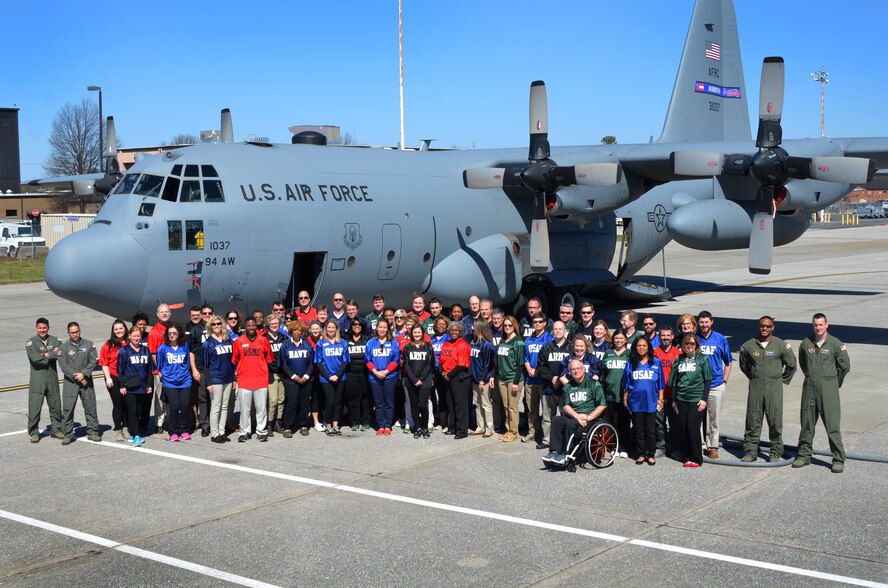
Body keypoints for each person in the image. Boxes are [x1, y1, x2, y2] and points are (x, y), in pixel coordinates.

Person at [793, 313, 850, 473]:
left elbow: (844, 366)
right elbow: (803, 364)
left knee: (832, 425)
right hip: (810, 388)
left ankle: (838, 459)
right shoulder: (806, 344)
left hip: (828, 389)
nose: (818, 328)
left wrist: (833, 382)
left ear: (826, 325)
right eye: (815, 325)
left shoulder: (835, 344)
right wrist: (813, 377)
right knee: (807, 423)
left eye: (820, 325)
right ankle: (804, 455)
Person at [738, 316, 797, 462]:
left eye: (768, 326)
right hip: (756, 387)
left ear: (773, 328)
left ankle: (775, 451)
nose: (765, 329)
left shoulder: (780, 345)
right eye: (762, 326)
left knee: (775, 420)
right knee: (752, 420)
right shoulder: (749, 346)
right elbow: (744, 365)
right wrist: (754, 377)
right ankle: (751, 452)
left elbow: (791, 364)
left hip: (774, 388)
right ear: (759, 327)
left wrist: (781, 380)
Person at [543, 359, 607, 467]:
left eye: (578, 368)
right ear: (569, 372)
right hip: (575, 416)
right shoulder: (568, 386)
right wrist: (577, 416)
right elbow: (566, 406)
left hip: (590, 419)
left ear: (583, 369)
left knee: (570, 424)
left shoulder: (594, 384)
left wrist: (589, 417)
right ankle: (554, 451)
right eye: (573, 369)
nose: (576, 371)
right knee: (556, 420)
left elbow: (602, 405)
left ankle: (567, 453)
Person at [669, 333, 713, 468]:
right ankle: (686, 456)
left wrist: (704, 399)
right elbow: (674, 381)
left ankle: (697, 457)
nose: (689, 346)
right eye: (686, 344)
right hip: (682, 399)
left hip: (696, 399)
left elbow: (707, 380)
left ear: (697, 345)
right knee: (683, 427)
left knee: (692, 427)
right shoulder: (679, 359)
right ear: (683, 345)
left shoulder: (702, 360)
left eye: (692, 344)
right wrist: (674, 400)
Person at [622, 337, 664, 465]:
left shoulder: (655, 362)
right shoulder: (631, 362)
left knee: (651, 430)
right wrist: (625, 398)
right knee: (639, 429)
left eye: (644, 345)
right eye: (639, 345)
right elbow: (626, 383)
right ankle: (641, 453)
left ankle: (650, 454)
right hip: (635, 401)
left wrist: (660, 399)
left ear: (648, 347)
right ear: (635, 347)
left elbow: (661, 383)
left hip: (651, 401)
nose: (641, 348)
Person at [231, 318, 274, 442]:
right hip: (244, 380)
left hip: (261, 380)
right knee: (245, 410)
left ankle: (261, 431)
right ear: (246, 326)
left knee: (261, 409)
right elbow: (235, 359)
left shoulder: (264, 340)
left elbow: (269, 358)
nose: (251, 327)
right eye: (248, 325)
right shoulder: (239, 341)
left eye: (253, 325)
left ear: (256, 326)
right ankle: (245, 432)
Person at [697, 311, 732, 459]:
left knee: (714, 418)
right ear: (697, 323)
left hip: (715, 384)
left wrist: (724, 380)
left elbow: (728, 362)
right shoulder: (694, 338)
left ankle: (712, 446)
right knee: (697, 418)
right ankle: (699, 445)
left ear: (712, 322)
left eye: (706, 322)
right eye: (701, 322)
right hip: (697, 385)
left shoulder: (720, 339)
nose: (704, 325)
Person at [57, 321, 100, 444]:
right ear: (68, 333)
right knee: (68, 408)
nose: (75, 334)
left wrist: (84, 374)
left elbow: (93, 361)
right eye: (72, 332)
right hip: (71, 382)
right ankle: (68, 433)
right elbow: (63, 366)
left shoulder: (88, 344)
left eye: (77, 331)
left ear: (80, 330)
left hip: (87, 382)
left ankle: (93, 431)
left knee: (90, 406)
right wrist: (78, 376)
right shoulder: (63, 348)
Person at [156, 323, 196, 442]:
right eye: (170, 333)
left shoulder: (184, 346)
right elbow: (159, 364)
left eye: (174, 333)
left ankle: (184, 430)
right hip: (170, 382)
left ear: (179, 334)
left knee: (184, 406)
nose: (172, 335)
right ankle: (173, 431)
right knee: (174, 406)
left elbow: (187, 362)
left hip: (185, 380)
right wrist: (163, 373)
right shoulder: (163, 348)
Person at [26, 318, 63, 442]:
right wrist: (51, 354)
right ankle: (34, 432)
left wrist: (47, 355)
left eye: (44, 328)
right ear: (36, 328)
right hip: (38, 378)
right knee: (35, 406)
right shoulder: (31, 342)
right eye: (40, 328)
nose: (42, 330)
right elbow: (35, 359)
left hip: (52, 377)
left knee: (55, 404)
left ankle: (56, 429)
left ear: (48, 327)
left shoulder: (55, 340)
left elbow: (60, 353)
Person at [537, 321, 572, 449]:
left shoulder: (571, 347)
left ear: (565, 331)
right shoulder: (546, 347)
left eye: (560, 329)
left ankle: (564, 439)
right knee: (547, 417)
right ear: (552, 331)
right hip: (549, 388)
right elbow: (541, 366)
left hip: (565, 389)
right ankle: (546, 440)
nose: (557, 331)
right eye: (555, 329)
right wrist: (552, 378)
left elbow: (575, 367)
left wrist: (563, 379)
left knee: (565, 416)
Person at [117, 326, 154, 447]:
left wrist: (149, 384)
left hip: (143, 386)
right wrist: (122, 386)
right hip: (130, 386)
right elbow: (120, 370)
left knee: (139, 410)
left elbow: (149, 370)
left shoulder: (145, 350)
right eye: (134, 336)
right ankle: (137, 435)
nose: (136, 338)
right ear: (129, 336)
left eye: (138, 336)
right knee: (132, 411)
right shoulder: (124, 351)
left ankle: (133, 432)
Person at [279, 320, 315, 437]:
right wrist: (294, 376)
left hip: (307, 379)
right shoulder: (285, 345)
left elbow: (312, 363)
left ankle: (303, 424)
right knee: (292, 403)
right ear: (291, 331)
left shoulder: (308, 345)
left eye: (299, 330)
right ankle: (288, 426)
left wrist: (306, 376)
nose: (297, 332)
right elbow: (283, 364)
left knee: (304, 403)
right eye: (295, 330)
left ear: (303, 332)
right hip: (291, 379)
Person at [365, 318, 400, 435]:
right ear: (377, 328)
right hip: (374, 377)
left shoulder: (393, 343)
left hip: (389, 377)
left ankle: (388, 425)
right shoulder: (371, 342)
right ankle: (381, 425)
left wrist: (385, 372)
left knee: (389, 402)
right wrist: (375, 372)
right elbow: (368, 360)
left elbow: (396, 360)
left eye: (384, 327)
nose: (382, 329)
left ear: (388, 329)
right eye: (380, 327)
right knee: (378, 403)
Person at [523, 312, 554, 445]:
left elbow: (549, 360)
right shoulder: (528, 339)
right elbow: (526, 358)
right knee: (531, 409)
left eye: (540, 321)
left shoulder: (549, 339)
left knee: (546, 410)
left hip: (543, 380)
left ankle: (547, 435)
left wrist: (538, 370)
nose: (537, 324)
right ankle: (532, 432)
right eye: (534, 322)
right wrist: (529, 368)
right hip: (530, 379)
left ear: (545, 323)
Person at [315, 320, 350, 435]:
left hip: (340, 377)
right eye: (328, 327)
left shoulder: (342, 342)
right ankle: (328, 425)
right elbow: (318, 362)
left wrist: (337, 375)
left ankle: (336, 425)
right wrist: (329, 376)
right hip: (326, 378)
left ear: (336, 329)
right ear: (326, 329)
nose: (330, 330)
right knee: (329, 401)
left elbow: (345, 361)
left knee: (338, 401)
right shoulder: (321, 343)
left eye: (333, 328)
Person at [203, 315, 235, 443]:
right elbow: (205, 365)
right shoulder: (208, 343)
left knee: (225, 406)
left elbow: (232, 361)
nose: (216, 326)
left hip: (228, 377)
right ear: (210, 326)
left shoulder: (228, 340)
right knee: (216, 406)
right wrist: (209, 383)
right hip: (215, 377)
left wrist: (234, 378)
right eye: (213, 324)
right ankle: (214, 433)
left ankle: (222, 432)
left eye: (218, 323)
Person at [439, 321, 472, 439]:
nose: (454, 332)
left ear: (460, 332)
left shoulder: (463, 344)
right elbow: (441, 360)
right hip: (447, 376)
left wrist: (449, 375)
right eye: (452, 330)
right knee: (450, 403)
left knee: (460, 405)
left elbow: (462, 365)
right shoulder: (446, 343)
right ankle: (452, 427)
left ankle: (462, 431)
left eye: (456, 330)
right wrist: (442, 372)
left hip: (459, 377)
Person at [653, 325, 681, 457]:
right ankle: (662, 446)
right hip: (659, 395)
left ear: (672, 336)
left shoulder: (679, 354)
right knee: (659, 423)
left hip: (673, 395)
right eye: (663, 335)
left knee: (675, 424)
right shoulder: (654, 353)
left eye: (668, 335)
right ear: (659, 337)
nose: (665, 338)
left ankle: (675, 448)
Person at [601, 331, 630, 457]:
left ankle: (623, 447)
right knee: (612, 421)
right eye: (616, 338)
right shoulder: (608, 353)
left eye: (621, 338)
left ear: (625, 340)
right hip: (609, 394)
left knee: (624, 421)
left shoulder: (629, 354)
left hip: (623, 394)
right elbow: (603, 374)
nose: (618, 340)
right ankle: (613, 445)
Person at [403, 324, 435, 439]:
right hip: (411, 381)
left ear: (422, 333)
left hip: (425, 381)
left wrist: (420, 379)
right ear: (412, 334)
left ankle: (425, 427)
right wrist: (414, 379)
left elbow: (430, 365)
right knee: (413, 405)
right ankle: (417, 428)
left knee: (423, 405)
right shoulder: (407, 347)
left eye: (419, 333)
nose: (417, 335)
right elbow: (406, 365)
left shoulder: (428, 347)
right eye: (415, 333)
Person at [496, 316, 525, 442]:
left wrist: (516, 382)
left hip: (513, 378)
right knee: (506, 406)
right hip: (502, 378)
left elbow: (520, 364)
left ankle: (514, 432)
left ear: (514, 326)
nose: (507, 327)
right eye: (505, 325)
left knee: (513, 407)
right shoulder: (502, 341)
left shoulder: (518, 342)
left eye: (510, 325)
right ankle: (508, 429)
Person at [99, 319, 129, 441]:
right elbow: (104, 363)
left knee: (127, 403)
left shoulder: (129, 342)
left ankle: (126, 427)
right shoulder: (108, 344)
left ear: (125, 329)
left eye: (121, 328)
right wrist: (108, 378)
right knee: (118, 404)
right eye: (116, 329)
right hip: (113, 377)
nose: (119, 331)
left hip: (127, 377)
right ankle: (118, 428)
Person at [147, 303, 171, 434]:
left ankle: (169, 419)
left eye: (167, 311)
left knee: (170, 397)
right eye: (162, 312)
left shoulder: (172, 328)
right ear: (157, 314)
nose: (165, 314)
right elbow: (153, 353)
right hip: (160, 372)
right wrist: (160, 369)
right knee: (160, 397)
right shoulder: (154, 332)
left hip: (172, 370)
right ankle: (159, 422)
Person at [469, 319, 496, 437]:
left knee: (486, 404)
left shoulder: (487, 344)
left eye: (474, 327)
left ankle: (489, 428)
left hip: (482, 379)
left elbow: (487, 364)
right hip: (474, 378)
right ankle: (480, 426)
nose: (472, 328)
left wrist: (482, 379)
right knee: (477, 404)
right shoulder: (473, 342)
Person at [188, 305, 212, 437]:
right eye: (205, 313)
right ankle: (205, 424)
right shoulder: (196, 331)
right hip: (201, 369)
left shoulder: (218, 328)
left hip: (215, 370)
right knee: (203, 398)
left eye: (210, 313)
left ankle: (216, 423)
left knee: (215, 398)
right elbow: (191, 352)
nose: (207, 315)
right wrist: (194, 370)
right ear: (201, 315)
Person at [344, 319, 372, 431]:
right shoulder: (346, 340)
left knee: (366, 398)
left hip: (365, 372)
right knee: (352, 398)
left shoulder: (368, 339)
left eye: (359, 324)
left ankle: (366, 421)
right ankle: (354, 421)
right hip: (351, 373)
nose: (357, 326)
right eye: (354, 324)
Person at [264, 314, 288, 436]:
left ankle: (278, 422)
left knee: (281, 399)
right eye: (272, 324)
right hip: (270, 373)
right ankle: (269, 423)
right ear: (268, 325)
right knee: (272, 400)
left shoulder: (283, 338)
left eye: (276, 323)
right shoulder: (264, 339)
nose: (274, 326)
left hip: (282, 373)